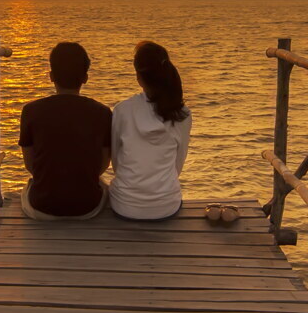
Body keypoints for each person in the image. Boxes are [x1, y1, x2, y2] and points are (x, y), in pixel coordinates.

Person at [18, 42, 113, 220]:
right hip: (87, 208)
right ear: (85, 77)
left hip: (42, 207)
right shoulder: (102, 113)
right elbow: (103, 164)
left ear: (51, 76)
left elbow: (30, 165)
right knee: (105, 186)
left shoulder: (31, 111)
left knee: (27, 187)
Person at [109, 41, 192, 220]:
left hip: (125, 205)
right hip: (166, 205)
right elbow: (178, 164)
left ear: (138, 77)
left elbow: (116, 162)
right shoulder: (182, 114)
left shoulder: (122, 110)